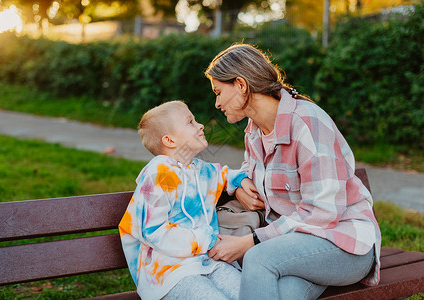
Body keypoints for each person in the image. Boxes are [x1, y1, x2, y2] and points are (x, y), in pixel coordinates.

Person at [205, 43, 382, 300]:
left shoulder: (307, 123)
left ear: (241, 85)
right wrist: (241, 181)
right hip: (296, 248)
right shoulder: (255, 130)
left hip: (344, 244)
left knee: (257, 258)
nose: (217, 103)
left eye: (219, 92)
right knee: (284, 293)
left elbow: (324, 212)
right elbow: (251, 167)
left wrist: (251, 241)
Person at [118, 100, 254, 300]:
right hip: (170, 273)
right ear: (170, 141)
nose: (200, 125)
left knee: (252, 293)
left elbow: (223, 174)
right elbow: (151, 230)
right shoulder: (159, 173)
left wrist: (239, 180)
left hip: (208, 262)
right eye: (190, 122)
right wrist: (204, 239)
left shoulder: (198, 169)